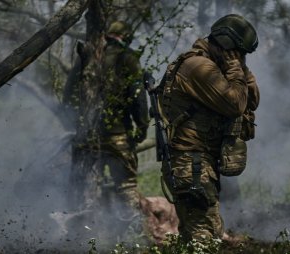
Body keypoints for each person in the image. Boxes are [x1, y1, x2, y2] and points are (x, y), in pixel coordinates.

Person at [157, 14, 259, 241]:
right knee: (202, 238)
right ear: (227, 45)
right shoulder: (199, 66)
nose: (240, 58)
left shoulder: (218, 65)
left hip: (199, 164)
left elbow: (251, 101)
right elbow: (235, 104)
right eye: (239, 53)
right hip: (190, 164)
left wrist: (240, 68)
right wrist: (235, 70)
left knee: (206, 234)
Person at [96, 20, 150, 236]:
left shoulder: (89, 58)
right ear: (125, 36)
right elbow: (138, 98)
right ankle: (131, 239)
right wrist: (143, 127)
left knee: (88, 188)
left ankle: (84, 237)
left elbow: (68, 97)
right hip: (118, 135)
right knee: (126, 187)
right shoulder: (128, 58)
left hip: (88, 137)